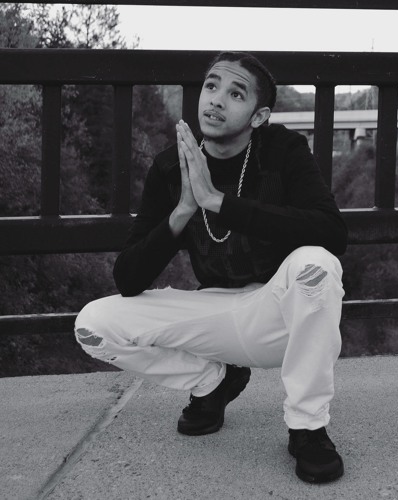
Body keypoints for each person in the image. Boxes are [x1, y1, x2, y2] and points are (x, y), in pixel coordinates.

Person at [75, 51, 348, 484]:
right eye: (211, 86)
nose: (217, 99)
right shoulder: (172, 166)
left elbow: (332, 232)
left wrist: (219, 202)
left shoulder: (283, 150)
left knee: (316, 264)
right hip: (216, 317)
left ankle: (307, 427)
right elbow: (128, 278)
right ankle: (211, 382)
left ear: (258, 117)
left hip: (280, 316)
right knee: (93, 325)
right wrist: (184, 209)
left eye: (236, 94)